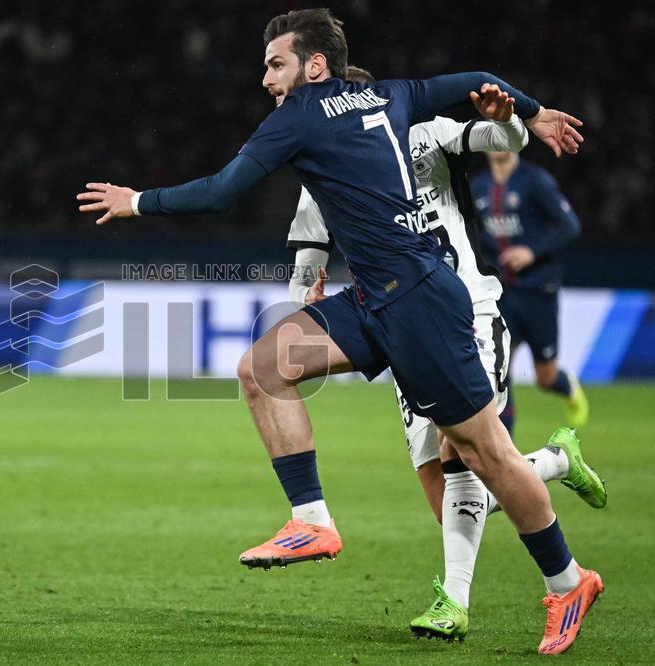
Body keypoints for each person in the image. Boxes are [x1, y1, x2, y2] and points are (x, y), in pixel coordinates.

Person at [76, 9, 598, 654]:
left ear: (314, 65)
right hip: (378, 297)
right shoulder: (393, 94)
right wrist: (532, 111)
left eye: (275, 63)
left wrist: (138, 201)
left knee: (484, 454)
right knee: (264, 370)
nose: (266, 78)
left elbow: (221, 193)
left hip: (419, 300)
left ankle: (567, 580)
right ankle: (311, 520)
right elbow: (477, 79)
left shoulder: (299, 115)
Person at [286, 65, 606, 642]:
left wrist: (511, 120)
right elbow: (310, 239)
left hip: (468, 311)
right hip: (401, 325)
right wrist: (303, 289)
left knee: (469, 451)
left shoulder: (422, 132)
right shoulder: (323, 159)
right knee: (449, 499)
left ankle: (460, 603)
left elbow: (498, 139)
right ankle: (555, 462)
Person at [472, 153, 587, 432]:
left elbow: (569, 225)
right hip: (502, 293)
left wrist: (532, 251)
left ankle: (566, 385)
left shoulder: (535, 181)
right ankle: (505, 447)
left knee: (545, 377)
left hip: (538, 289)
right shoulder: (476, 187)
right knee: (500, 369)